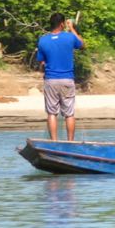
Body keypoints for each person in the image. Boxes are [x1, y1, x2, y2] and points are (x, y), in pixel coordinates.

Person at [36, 13, 85, 141]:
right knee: (69, 114)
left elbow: (41, 62)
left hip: (51, 80)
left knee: (52, 113)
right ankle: (70, 142)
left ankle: (54, 141)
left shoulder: (43, 40)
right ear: (62, 24)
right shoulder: (69, 37)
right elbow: (82, 44)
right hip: (67, 79)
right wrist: (72, 28)